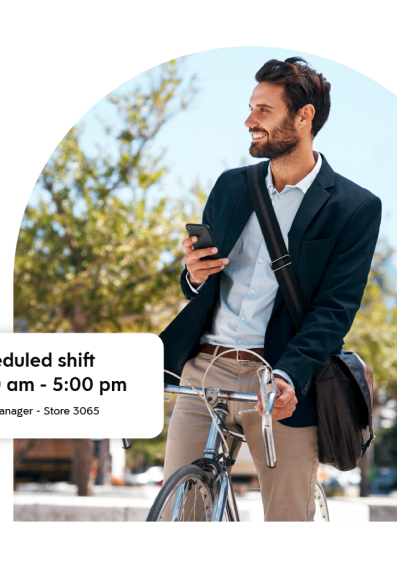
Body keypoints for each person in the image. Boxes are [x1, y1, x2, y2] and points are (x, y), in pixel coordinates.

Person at [159, 57, 382, 522]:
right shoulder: (230, 186)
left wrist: (289, 375)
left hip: (280, 379)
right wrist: (193, 276)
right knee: (181, 511)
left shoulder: (354, 207)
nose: (249, 121)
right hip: (205, 369)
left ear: (304, 117)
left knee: (286, 514)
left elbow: (334, 310)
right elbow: (201, 284)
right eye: (250, 108)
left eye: (264, 110)